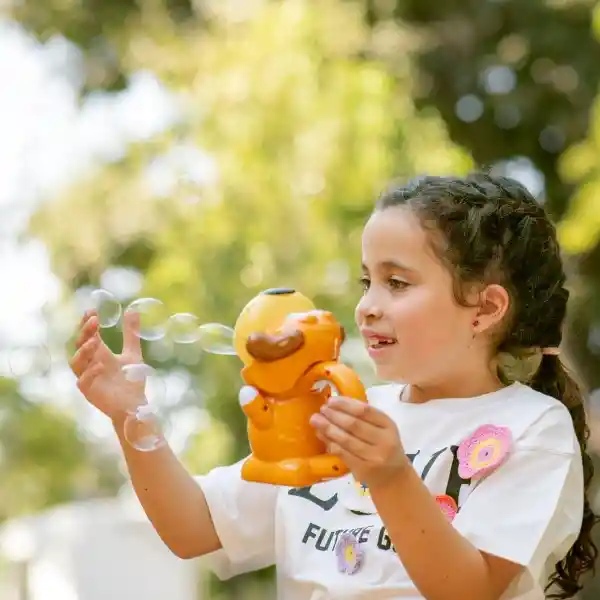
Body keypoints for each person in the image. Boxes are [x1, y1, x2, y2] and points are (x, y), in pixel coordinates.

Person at [70, 172, 598, 600]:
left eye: (398, 282)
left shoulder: (532, 427)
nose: (368, 305)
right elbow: (194, 528)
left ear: (485, 308)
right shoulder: (335, 411)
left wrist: (391, 478)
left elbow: (469, 590)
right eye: (368, 281)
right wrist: (130, 417)